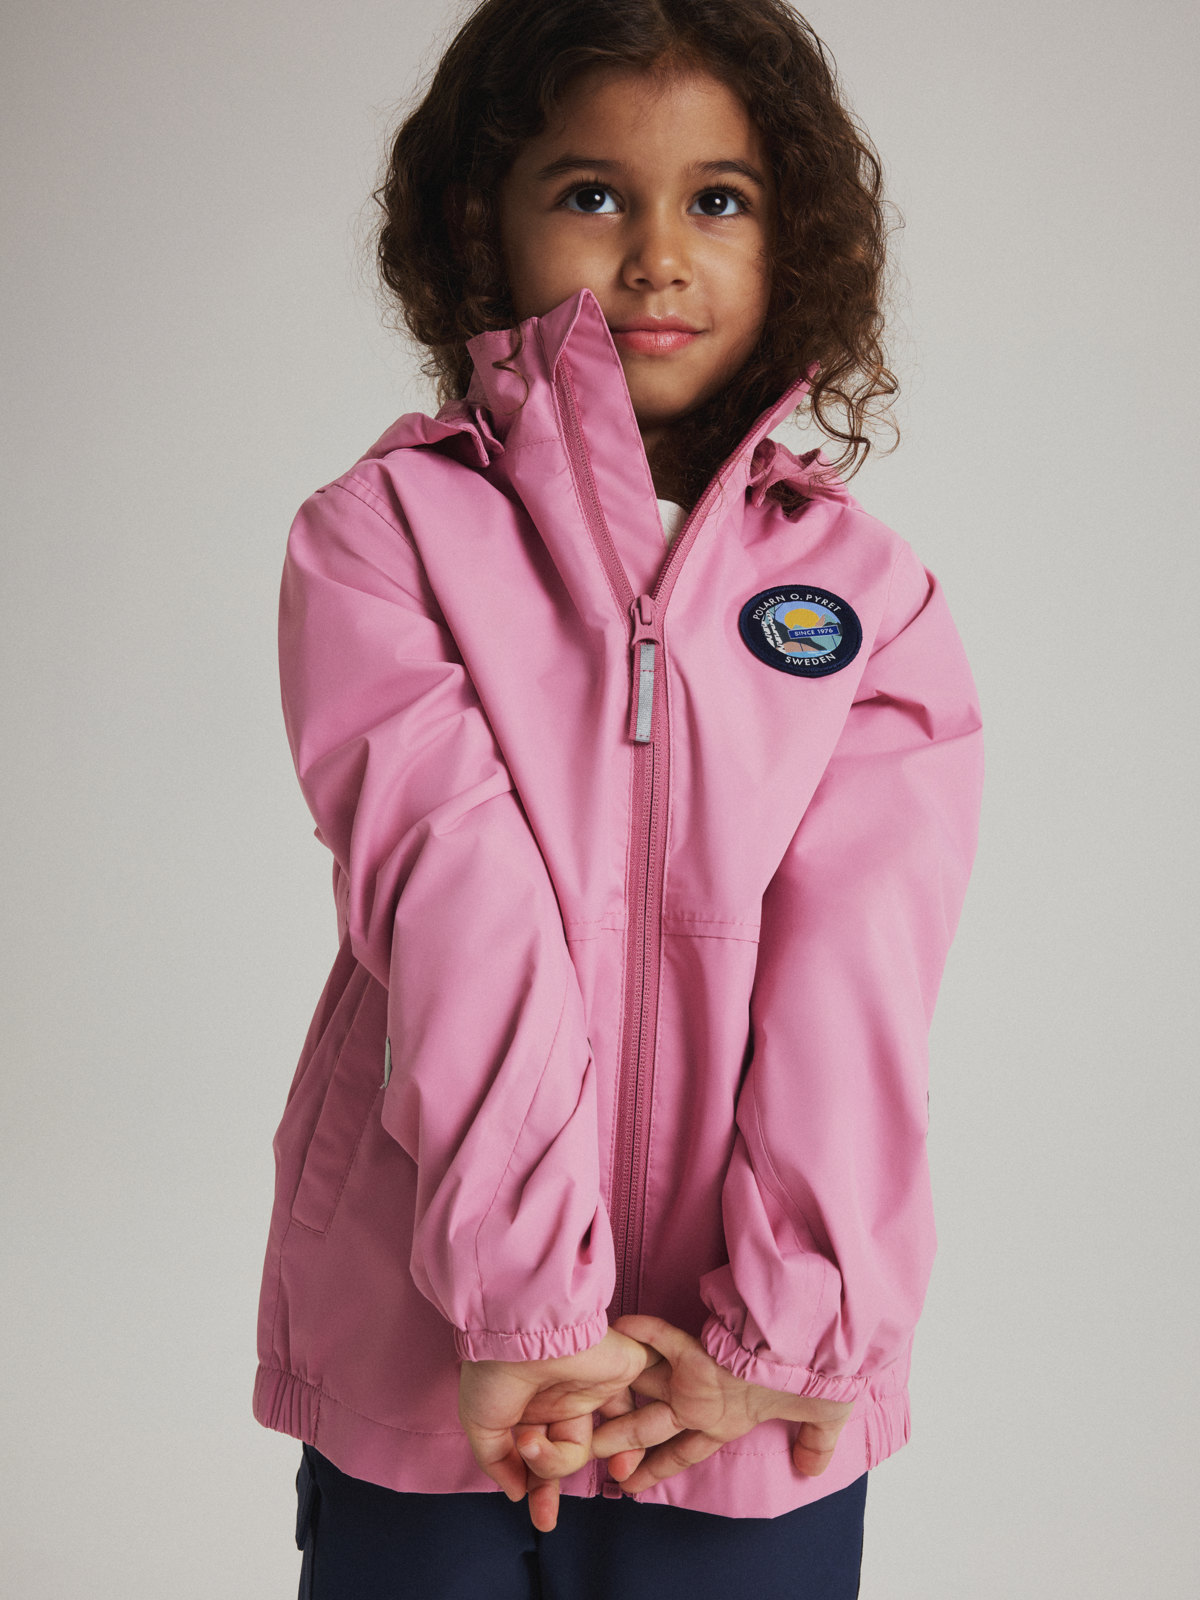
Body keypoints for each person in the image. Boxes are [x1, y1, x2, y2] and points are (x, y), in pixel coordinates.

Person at [251, 2, 985, 1595]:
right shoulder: (385, 537)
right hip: (435, 1345)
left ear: (795, 235)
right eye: (593, 193)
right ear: (480, 223)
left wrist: (794, 1328)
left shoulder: (872, 600)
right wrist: (520, 1306)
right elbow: (449, 901)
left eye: (718, 199)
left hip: (741, 1391)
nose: (658, 255)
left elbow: (858, 983)